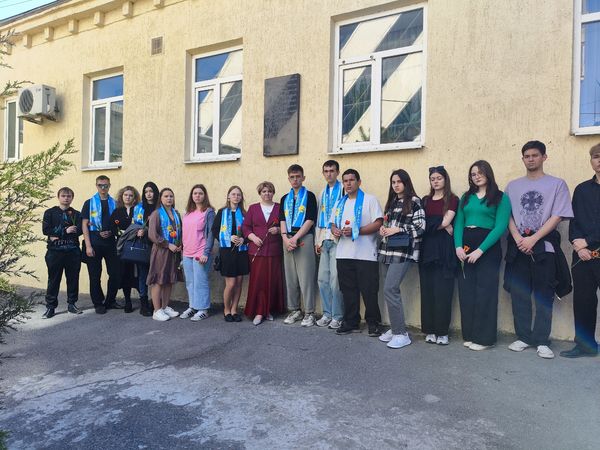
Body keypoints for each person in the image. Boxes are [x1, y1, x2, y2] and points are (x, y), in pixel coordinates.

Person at [504, 141, 573, 359]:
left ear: (544, 157)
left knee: (544, 294)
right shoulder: (512, 186)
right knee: (519, 294)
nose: (531, 159)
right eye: (527, 156)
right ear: (522, 159)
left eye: (535, 155)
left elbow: (557, 216)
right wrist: (519, 239)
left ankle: (542, 340)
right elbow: (507, 215)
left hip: (545, 246)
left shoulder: (557, 184)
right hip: (519, 246)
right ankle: (524, 337)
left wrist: (533, 239)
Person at [454, 161, 511, 350]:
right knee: (467, 291)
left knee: (485, 292)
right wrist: (458, 246)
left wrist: (480, 250)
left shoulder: (501, 197)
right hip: (466, 246)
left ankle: (485, 339)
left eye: (480, 172)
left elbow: (501, 226)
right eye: (473, 174)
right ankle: (470, 334)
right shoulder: (466, 197)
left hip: (488, 247)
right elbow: (459, 222)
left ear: (488, 173)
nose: (476, 176)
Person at [331, 169, 384, 336]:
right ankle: (351, 322)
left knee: (369, 291)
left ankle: (373, 323)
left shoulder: (370, 200)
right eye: (345, 180)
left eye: (351, 180)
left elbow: (378, 223)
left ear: (359, 182)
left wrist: (357, 231)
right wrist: (335, 230)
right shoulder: (340, 203)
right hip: (343, 254)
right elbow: (332, 223)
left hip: (365, 254)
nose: (348, 183)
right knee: (348, 291)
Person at [377, 170, 425, 349]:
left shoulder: (414, 202)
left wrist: (398, 229)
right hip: (387, 251)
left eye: (399, 182)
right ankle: (395, 327)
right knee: (389, 290)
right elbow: (387, 223)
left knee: (390, 288)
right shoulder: (392, 202)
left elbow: (420, 227)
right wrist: (383, 229)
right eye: (393, 182)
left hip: (403, 252)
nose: (396, 185)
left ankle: (401, 334)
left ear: (406, 182)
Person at [560, 143, 600, 358]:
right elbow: (573, 220)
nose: (599, 160)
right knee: (584, 302)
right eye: (596, 156)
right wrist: (577, 244)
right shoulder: (582, 189)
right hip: (582, 257)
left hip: (593, 250)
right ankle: (585, 346)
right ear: (591, 161)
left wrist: (589, 241)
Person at [419, 166, 459, 345]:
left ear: (445, 179)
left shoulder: (453, 199)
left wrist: (441, 223)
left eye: (439, 178)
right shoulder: (425, 200)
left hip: (444, 250)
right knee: (427, 291)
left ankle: (442, 332)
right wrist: (441, 224)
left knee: (443, 291)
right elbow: (421, 224)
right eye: (432, 179)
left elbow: (446, 221)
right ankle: (430, 330)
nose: (435, 181)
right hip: (426, 250)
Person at [280, 164, 319, 327]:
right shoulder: (285, 198)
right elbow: (282, 220)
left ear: (303, 178)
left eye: (298, 177)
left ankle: (309, 312)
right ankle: (294, 309)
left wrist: (295, 238)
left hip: (303, 238)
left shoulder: (309, 196)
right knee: (291, 277)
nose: (295, 179)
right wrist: (285, 239)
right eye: (292, 177)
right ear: (288, 179)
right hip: (287, 240)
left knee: (306, 277)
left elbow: (310, 220)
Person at [243, 181, 285, 325]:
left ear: (273, 193)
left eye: (269, 191)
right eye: (264, 191)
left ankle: (269, 310)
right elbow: (246, 227)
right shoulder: (253, 208)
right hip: (257, 251)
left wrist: (278, 230)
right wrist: (253, 237)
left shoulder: (279, 207)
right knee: (258, 282)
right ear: (260, 193)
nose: (267, 194)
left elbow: (286, 224)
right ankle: (259, 311)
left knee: (272, 281)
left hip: (274, 251)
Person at [81, 175, 121, 314]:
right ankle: (98, 303)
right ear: (96, 186)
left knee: (115, 273)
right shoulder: (89, 203)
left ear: (109, 186)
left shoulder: (115, 203)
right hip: (94, 242)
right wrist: (88, 246)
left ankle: (110, 300)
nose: (103, 188)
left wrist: (111, 231)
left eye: (105, 185)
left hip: (111, 243)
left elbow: (119, 223)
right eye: (100, 185)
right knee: (94, 275)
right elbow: (84, 225)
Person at [41, 187, 83, 318]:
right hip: (55, 252)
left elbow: (79, 230)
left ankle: (72, 304)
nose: (66, 198)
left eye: (69, 196)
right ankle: (50, 307)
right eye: (63, 196)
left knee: (73, 278)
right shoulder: (50, 213)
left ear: (72, 198)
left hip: (73, 251)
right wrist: (65, 231)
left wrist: (57, 234)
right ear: (58, 197)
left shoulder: (77, 214)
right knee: (53, 279)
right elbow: (46, 230)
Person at [211, 186, 250, 322]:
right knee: (231, 283)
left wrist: (244, 239)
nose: (236, 197)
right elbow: (215, 230)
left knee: (239, 282)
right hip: (227, 252)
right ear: (228, 196)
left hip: (241, 251)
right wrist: (228, 237)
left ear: (241, 197)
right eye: (233, 194)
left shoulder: (244, 213)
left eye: (238, 195)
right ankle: (226, 310)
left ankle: (234, 310)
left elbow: (249, 230)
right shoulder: (222, 212)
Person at [315, 160, 344, 329]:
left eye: (332, 170)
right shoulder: (322, 193)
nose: (329, 174)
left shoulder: (343, 190)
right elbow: (320, 217)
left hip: (337, 240)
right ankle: (327, 313)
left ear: (337, 172)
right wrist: (317, 241)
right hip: (324, 239)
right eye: (326, 171)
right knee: (322, 279)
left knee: (335, 280)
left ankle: (337, 316)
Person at [180, 184, 215, 321]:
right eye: (195, 193)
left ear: (204, 195)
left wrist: (206, 253)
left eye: (200, 193)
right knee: (190, 282)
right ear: (192, 196)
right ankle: (193, 306)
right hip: (187, 253)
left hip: (200, 252)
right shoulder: (188, 213)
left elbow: (211, 233)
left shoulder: (209, 212)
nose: (197, 196)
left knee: (201, 281)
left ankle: (203, 309)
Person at [147, 188, 182, 321]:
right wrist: (167, 244)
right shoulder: (156, 214)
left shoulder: (176, 214)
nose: (169, 198)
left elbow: (180, 231)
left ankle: (165, 306)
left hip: (174, 252)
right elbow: (152, 234)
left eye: (171, 196)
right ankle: (157, 310)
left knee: (169, 280)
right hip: (161, 251)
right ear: (160, 199)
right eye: (166, 196)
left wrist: (180, 244)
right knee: (158, 280)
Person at [110, 186, 141, 313]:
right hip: (122, 247)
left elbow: (142, 224)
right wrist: (121, 233)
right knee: (125, 273)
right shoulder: (117, 211)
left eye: (130, 195)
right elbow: (112, 227)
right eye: (126, 195)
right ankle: (128, 301)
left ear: (135, 198)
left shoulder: (138, 210)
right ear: (121, 197)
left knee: (138, 273)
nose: (128, 197)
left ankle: (144, 300)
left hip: (137, 246)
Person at [132, 181, 159, 317]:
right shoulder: (138, 207)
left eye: (151, 191)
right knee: (143, 275)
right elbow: (134, 225)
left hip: (158, 245)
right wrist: (138, 231)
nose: (148, 194)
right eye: (146, 191)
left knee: (156, 275)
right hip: (143, 245)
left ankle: (156, 303)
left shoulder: (160, 207)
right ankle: (144, 304)